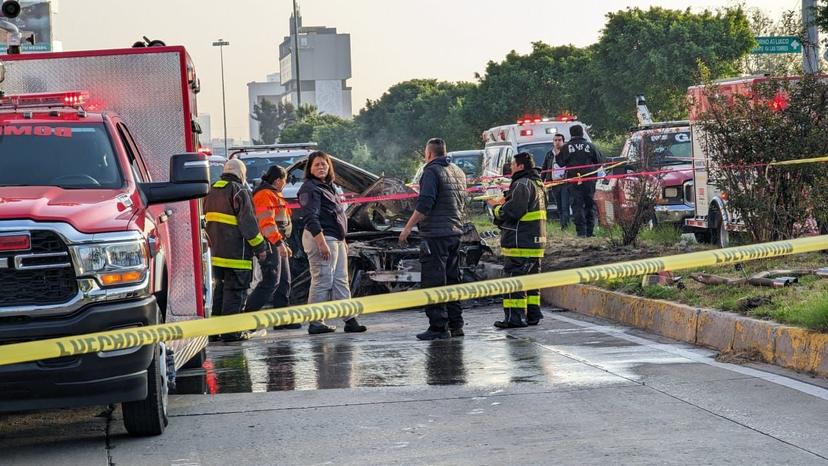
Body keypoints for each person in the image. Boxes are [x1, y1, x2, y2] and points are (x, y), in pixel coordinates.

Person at [399, 138, 467, 340]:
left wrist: (408, 227)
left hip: (435, 235)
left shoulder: (430, 171)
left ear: (428, 154)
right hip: (454, 232)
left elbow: (425, 202)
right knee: (453, 279)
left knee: (434, 281)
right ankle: (456, 324)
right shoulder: (457, 172)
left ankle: (438, 327)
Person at [297, 151, 367, 334]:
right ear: (310, 169)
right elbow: (310, 217)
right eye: (317, 164)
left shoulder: (328, 187)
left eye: (324, 164)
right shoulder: (310, 188)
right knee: (322, 280)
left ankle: (350, 320)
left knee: (341, 280)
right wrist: (321, 242)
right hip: (321, 238)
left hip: (336, 239)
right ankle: (315, 322)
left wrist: (342, 239)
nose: (321, 167)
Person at [204, 159, 268, 342]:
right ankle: (232, 332)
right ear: (241, 173)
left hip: (215, 254)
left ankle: (215, 331)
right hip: (236, 255)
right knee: (235, 291)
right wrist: (260, 248)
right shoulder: (239, 190)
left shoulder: (211, 190)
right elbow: (248, 224)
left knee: (220, 290)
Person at [489, 152, 546, 328]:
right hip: (535, 240)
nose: (511, 168)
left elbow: (514, 211)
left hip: (519, 240)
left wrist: (497, 209)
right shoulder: (537, 183)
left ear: (520, 166)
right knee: (531, 280)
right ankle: (532, 314)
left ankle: (515, 318)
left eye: (513, 165)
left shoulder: (522, 184)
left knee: (514, 279)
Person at [245, 165, 300, 330]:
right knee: (271, 281)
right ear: (277, 180)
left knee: (284, 282)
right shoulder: (264, 195)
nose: (285, 184)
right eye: (284, 181)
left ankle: (282, 319)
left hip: (278, 241)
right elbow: (266, 223)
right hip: (271, 243)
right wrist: (278, 243)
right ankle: (246, 318)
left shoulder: (274, 194)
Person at [557, 124, 605, 237]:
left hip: (573, 181)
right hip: (589, 180)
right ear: (582, 133)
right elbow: (599, 162)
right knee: (589, 204)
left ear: (571, 134)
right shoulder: (590, 146)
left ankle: (581, 232)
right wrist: (590, 171)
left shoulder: (566, 147)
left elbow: (560, 163)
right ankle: (590, 231)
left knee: (576, 205)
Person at [542, 133, 570, 229]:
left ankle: (565, 226)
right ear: (553, 142)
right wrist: (541, 181)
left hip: (565, 183)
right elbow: (544, 168)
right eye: (555, 140)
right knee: (559, 205)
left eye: (559, 140)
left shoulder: (568, 153)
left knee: (565, 205)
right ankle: (563, 224)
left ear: (563, 141)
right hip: (553, 183)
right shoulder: (549, 154)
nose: (557, 142)